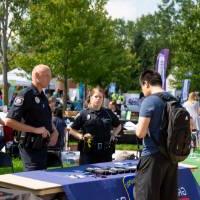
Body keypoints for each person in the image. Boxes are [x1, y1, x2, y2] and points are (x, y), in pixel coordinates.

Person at [4, 64, 58, 171]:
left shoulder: (42, 96)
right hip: (30, 147)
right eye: (47, 75)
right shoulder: (25, 94)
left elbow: (46, 117)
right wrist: (35, 130)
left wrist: (54, 130)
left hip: (42, 146)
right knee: (34, 180)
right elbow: (9, 121)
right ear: (37, 76)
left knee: (43, 178)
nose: (49, 79)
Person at [134, 70, 178, 200]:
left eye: (142, 86)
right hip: (171, 157)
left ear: (146, 83)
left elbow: (140, 133)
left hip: (152, 157)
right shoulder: (174, 99)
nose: (142, 90)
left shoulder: (149, 101)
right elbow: (190, 124)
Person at [69, 86, 122, 165]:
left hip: (106, 153)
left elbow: (119, 125)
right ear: (90, 98)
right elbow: (71, 130)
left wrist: (114, 134)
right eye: (96, 96)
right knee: (88, 176)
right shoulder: (84, 113)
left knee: (106, 176)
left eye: (100, 97)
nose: (98, 99)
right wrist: (81, 137)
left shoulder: (108, 113)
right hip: (88, 153)